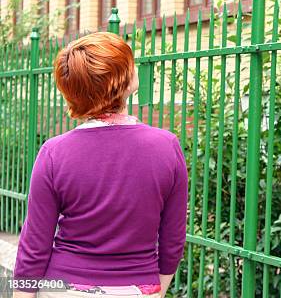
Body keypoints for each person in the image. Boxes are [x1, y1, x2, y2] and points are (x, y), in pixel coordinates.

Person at [13, 32, 188, 298]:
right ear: (125, 81)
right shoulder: (166, 147)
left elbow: (34, 244)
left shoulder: (54, 153)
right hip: (138, 286)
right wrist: (156, 290)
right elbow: (172, 239)